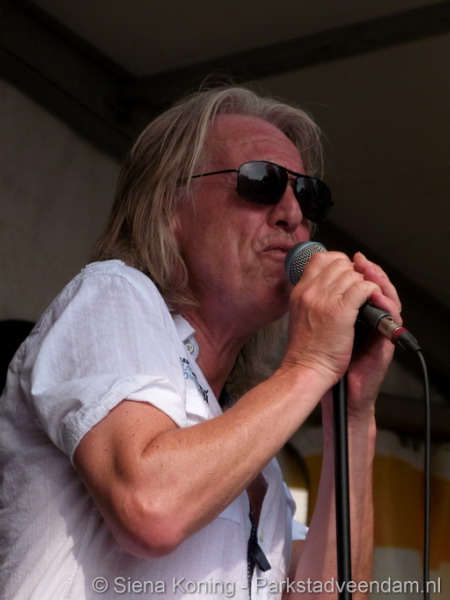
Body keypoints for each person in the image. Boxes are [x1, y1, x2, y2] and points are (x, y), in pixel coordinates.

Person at [0, 84, 401, 599]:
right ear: (169, 206)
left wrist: (353, 416)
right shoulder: (113, 294)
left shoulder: (254, 457)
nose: (292, 213)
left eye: (308, 195)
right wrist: (309, 366)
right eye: (261, 182)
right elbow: (151, 508)